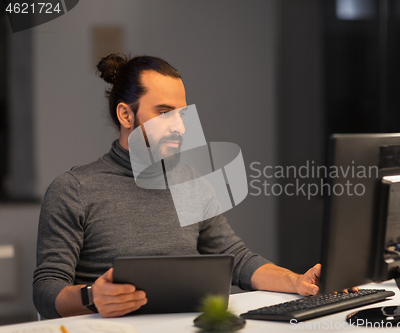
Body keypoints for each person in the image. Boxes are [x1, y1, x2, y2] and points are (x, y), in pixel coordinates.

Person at [33, 54, 321, 319]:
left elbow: (238, 260)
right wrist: (92, 296)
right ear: (125, 115)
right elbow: (46, 290)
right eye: (164, 112)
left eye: (182, 115)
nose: (180, 128)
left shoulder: (191, 182)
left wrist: (295, 281)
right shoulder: (74, 189)